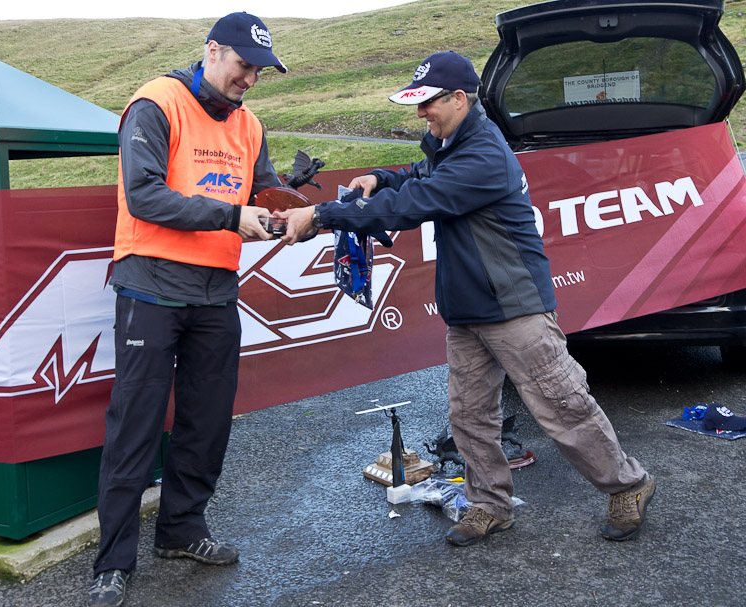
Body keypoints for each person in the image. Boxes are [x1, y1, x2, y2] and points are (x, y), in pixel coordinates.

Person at [279, 51, 655, 548]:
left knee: (562, 407)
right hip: (466, 308)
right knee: (470, 416)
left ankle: (629, 484)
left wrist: (324, 216)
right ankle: (489, 504)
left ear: (459, 99)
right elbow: (417, 175)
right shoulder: (448, 142)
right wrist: (381, 177)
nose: (420, 114)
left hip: (514, 305)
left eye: (427, 104)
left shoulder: (484, 156)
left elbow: (418, 202)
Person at [87, 12, 286, 607]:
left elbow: (261, 192)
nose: (249, 78)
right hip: (150, 286)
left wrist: (293, 205)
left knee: (206, 421)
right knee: (136, 426)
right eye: (242, 65)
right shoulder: (156, 102)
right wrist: (232, 216)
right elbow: (145, 195)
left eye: (259, 70)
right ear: (211, 52)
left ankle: (181, 531)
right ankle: (112, 563)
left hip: (215, 291)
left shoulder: (250, 125)